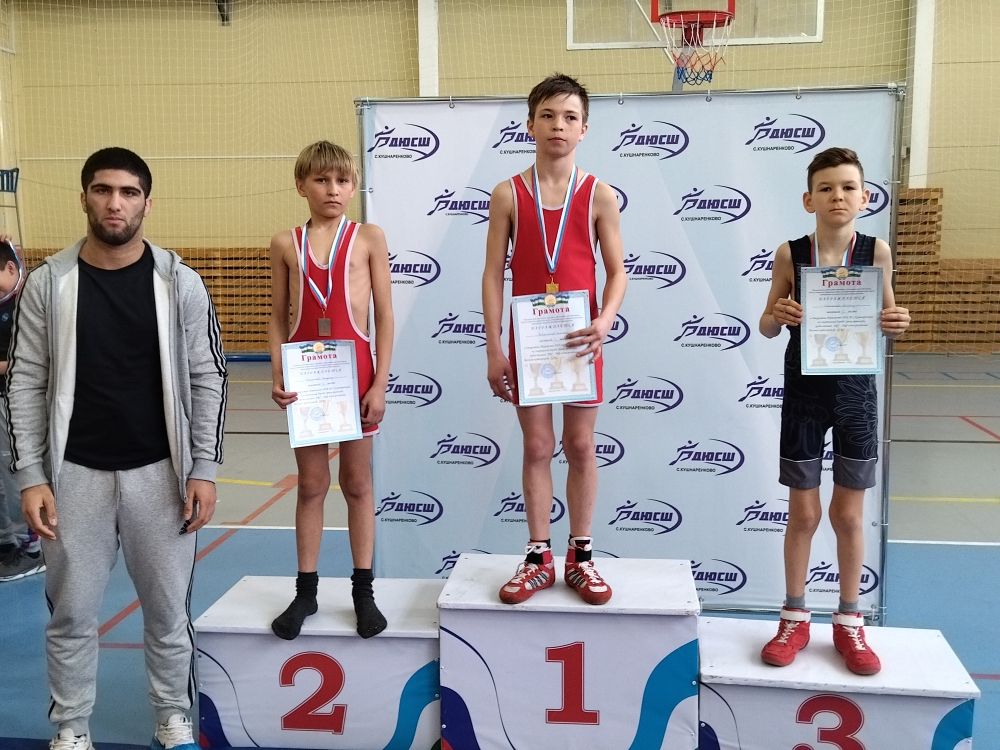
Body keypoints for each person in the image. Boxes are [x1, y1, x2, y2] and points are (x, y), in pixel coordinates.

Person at [7, 147, 227, 750]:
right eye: (103, 190)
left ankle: (172, 716)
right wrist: (31, 475)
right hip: (72, 477)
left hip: (162, 476)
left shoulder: (179, 281)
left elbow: (208, 375)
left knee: (168, 613)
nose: (115, 203)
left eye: (129, 193)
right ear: (84, 197)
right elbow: (23, 380)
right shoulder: (49, 283)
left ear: (146, 204)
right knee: (72, 614)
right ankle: (71, 726)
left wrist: (204, 468)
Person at [758, 147, 910, 675]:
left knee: (847, 515)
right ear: (809, 199)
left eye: (847, 187)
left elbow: (888, 313)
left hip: (855, 395)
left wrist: (897, 321)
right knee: (802, 514)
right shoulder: (790, 253)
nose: (837, 196)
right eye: (826, 188)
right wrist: (778, 313)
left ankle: (849, 621)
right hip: (804, 395)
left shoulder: (875, 251)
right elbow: (766, 324)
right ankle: (794, 617)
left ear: (864, 197)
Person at [482, 74, 627, 605]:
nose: (558, 126)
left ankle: (581, 557)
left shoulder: (599, 194)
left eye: (569, 117)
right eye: (547, 115)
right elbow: (492, 273)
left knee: (581, 445)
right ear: (529, 124)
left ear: (584, 128)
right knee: (538, 446)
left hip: (580, 339)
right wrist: (494, 345)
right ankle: (539, 557)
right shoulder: (507, 193)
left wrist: (605, 319)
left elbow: (617, 271)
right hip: (529, 341)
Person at [268, 141, 393, 640]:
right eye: (321, 180)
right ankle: (306, 591)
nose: (333, 189)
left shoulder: (368, 237)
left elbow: (384, 315)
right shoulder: (285, 242)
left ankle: (363, 591)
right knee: (312, 485)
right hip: (308, 379)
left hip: (356, 375)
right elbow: (278, 317)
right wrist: (278, 373)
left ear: (354, 185)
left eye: (342, 180)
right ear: (301, 185)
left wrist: (380, 382)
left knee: (357, 484)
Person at [0, 235, 43, 582]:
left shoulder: (29, 302)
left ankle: (31, 550)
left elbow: (29, 360)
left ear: (11, 269)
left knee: (15, 474)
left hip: (15, 402)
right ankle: (6, 545)